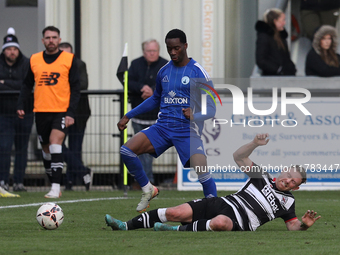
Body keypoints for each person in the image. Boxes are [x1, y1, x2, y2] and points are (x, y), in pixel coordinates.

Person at [105, 133, 321, 232]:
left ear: (296, 187)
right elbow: (238, 156)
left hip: (240, 223)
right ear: (283, 170)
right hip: (222, 203)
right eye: (289, 174)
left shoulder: (287, 204)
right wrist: (254, 144)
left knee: (221, 223)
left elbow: (292, 225)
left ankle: (173, 231)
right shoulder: (260, 176)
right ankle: (125, 225)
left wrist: (304, 226)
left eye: (293, 181)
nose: (288, 180)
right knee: (175, 212)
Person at [117, 29, 217, 213]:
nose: (172, 52)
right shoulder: (164, 71)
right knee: (127, 150)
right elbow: (155, 99)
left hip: (187, 130)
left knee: (202, 171)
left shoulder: (198, 71)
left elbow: (212, 108)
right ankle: (148, 189)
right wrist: (128, 115)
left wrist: (194, 113)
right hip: (162, 128)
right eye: (169, 48)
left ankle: (216, 209)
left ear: (185, 46)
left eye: (177, 48)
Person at [17, 26, 80, 198]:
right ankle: (53, 181)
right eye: (48, 37)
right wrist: (21, 103)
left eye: (54, 37)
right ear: (43, 40)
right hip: (41, 111)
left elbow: (76, 87)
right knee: (46, 149)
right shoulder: (34, 59)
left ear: (59, 40)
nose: (51, 40)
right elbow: (27, 84)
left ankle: (55, 187)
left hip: (61, 110)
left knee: (55, 143)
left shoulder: (69, 59)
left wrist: (70, 112)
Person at [127, 39, 168, 184]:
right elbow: (128, 82)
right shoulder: (135, 64)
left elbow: (168, 84)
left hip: (158, 117)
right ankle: (144, 181)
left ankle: (145, 181)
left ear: (159, 51)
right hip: (139, 116)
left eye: (154, 51)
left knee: (149, 151)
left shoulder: (166, 65)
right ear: (144, 52)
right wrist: (142, 88)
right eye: (149, 51)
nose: (152, 54)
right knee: (139, 150)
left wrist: (153, 91)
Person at [0, 27, 33, 192]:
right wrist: (17, 86)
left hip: (25, 113)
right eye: (8, 49)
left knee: (22, 148)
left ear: (18, 49)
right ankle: (3, 181)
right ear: (4, 50)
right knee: (4, 147)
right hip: (4, 114)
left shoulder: (27, 63)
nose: (11, 52)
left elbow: (26, 86)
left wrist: (4, 83)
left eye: (14, 49)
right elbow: (21, 85)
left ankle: (19, 182)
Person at [59, 42, 91, 191]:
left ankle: (71, 181)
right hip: (60, 111)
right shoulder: (56, 65)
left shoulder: (79, 65)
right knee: (58, 145)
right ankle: (82, 171)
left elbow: (83, 84)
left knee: (75, 147)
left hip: (79, 113)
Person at [255, 8, 296, 76]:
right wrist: (278, 69)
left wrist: (291, 68)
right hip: (273, 77)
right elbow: (261, 60)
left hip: (283, 75)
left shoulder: (280, 36)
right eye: (283, 20)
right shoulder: (264, 37)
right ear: (275, 21)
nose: (284, 23)